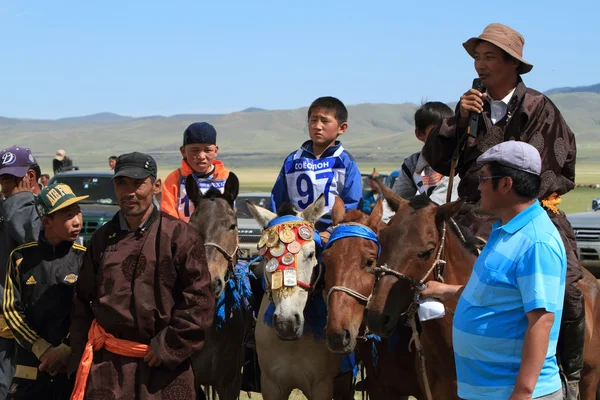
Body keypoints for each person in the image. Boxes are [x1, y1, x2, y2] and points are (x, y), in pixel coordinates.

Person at [421, 23, 583, 398]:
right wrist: (458, 123)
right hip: (471, 210)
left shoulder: (538, 107)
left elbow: (542, 166)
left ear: (513, 63)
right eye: (477, 57)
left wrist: (508, 198)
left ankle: (569, 374)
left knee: (571, 287)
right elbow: (437, 160)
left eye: (489, 56)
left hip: (527, 209)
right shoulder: (468, 107)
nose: (480, 65)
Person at [423, 141, 565, 400]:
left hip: (512, 393)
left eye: (484, 179)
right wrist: (444, 290)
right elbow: (494, 294)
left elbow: (541, 321)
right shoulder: (504, 230)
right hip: (486, 391)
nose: (479, 187)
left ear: (506, 184)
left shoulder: (536, 241)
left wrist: (522, 393)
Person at [69, 152, 214, 400]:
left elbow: (199, 300)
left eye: (138, 183)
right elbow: (83, 302)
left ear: (156, 186)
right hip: (108, 368)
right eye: (122, 183)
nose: (129, 192)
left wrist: (169, 345)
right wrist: (78, 358)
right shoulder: (102, 240)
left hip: (164, 369)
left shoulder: (180, 236)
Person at [3, 183, 87, 399]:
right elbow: (12, 310)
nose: (77, 221)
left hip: (70, 367)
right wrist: (42, 349)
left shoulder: (84, 259)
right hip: (31, 367)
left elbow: (89, 308)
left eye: (78, 211)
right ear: (47, 221)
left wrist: (65, 350)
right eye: (69, 215)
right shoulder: (21, 258)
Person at [270, 96, 363, 237]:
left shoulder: (345, 161)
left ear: (342, 128)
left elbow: (352, 204)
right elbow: (278, 200)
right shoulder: (293, 160)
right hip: (295, 233)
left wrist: (331, 231)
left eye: (325, 121)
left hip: (333, 234)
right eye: (313, 120)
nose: (317, 126)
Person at [0, 145, 42, 399]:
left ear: (31, 177)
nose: (5, 186)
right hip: (11, 320)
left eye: (11, 179)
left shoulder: (32, 208)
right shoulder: (20, 208)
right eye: (2, 179)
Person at [161, 122, 230, 222]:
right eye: (195, 150)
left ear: (215, 151)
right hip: (183, 235)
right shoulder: (174, 179)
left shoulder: (225, 177)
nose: (201, 156)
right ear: (183, 151)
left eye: (207, 150)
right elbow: (168, 216)